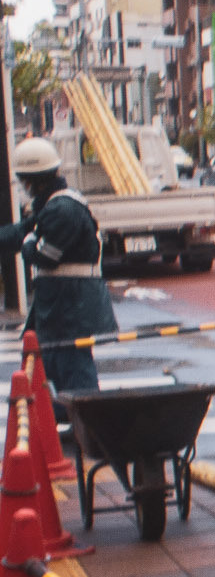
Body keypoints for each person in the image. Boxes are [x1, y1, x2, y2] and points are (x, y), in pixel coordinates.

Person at [0, 137, 118, 399]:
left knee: (73, 366)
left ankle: (85, 426)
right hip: (61, 303)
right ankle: (65, 421)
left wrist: (30, 242)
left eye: (24, 181)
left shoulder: (62, 209)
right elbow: (22, 231)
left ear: (35, 180)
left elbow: (44, 255)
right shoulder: (53, 206)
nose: (24, 187)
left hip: (71, 303)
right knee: (53, 363)